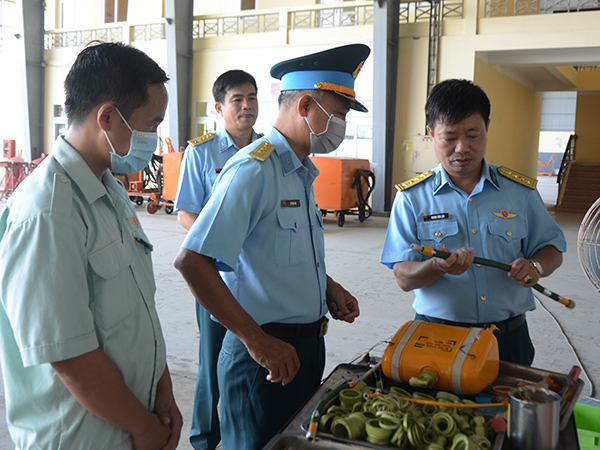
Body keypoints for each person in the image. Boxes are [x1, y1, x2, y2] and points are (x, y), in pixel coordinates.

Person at [174, 43, 369, 450]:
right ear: (304, 106)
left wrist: (328, 286)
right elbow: (192, 260)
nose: (341, 124)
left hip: (303, 350)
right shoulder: (253, 170)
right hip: (262, 360)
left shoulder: (298, 172)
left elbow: (276, 251)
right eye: (338, 113)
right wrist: (256, 342)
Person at [0, 42, 182, 449]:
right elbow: (69, 356)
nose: (154, 137)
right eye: (151, 124)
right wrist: (143, 426)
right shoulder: (48, 212)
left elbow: (139, 310)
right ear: (107, 117)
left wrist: (162, 391)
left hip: (131, 423)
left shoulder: (109, 191)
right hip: (82, 438)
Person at [380, 78, 566, 366]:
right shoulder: (412, 198)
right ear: (431, 134)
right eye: (450, 137)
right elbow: (403, 277)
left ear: (487, 128)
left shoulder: (520, 193)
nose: (462, 148)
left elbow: (552, 249)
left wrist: (537, 266)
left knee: (506, 411)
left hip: (508, 339)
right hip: (437, 338)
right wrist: (437, 266)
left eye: (473, 134)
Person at [174, 69, 261, 450]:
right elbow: (186, 213)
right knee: (211, 365)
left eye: (252, 98)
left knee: (254, 354)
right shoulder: (201, 152)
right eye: (238, 99)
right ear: (219, 107)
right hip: (217, 278)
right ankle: (205, 439)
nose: (246, 106)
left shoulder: (267, 150)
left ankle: (248, 431)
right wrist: (222, 244)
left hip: (261, 279)